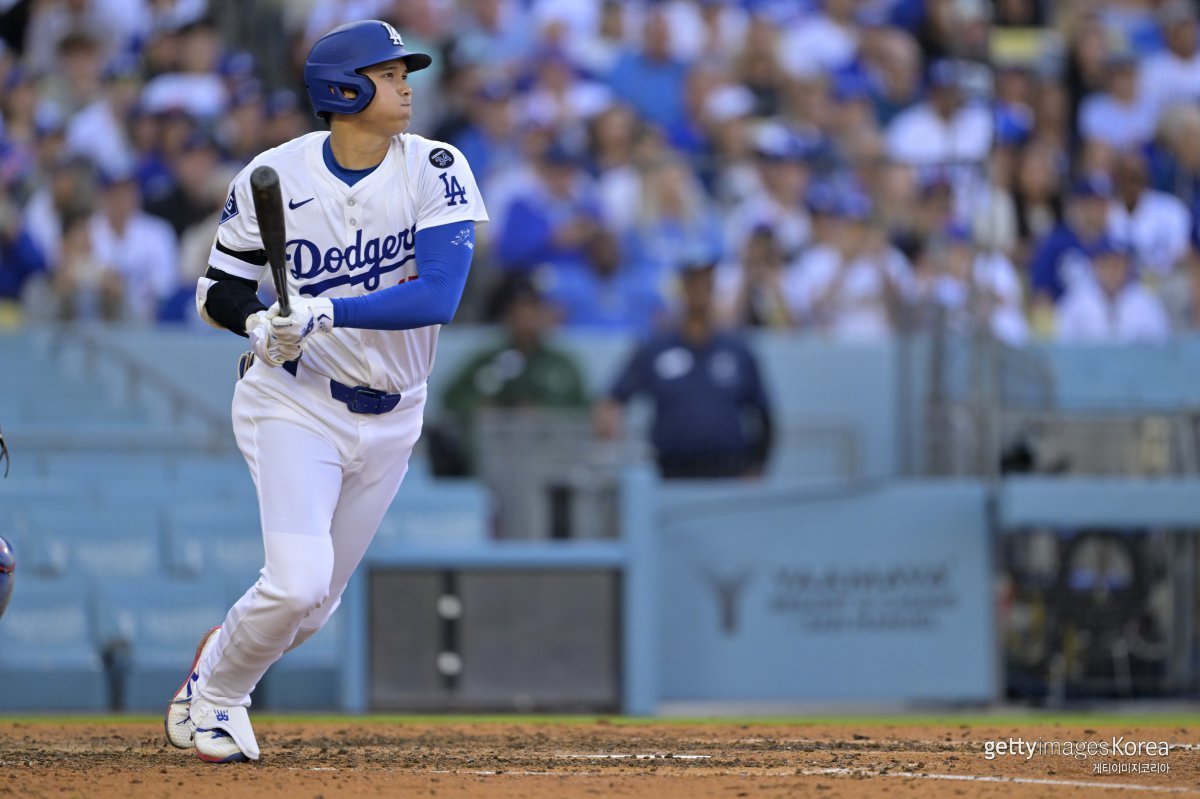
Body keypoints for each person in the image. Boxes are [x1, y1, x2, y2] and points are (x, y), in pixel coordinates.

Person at [165, 20, 487, 763]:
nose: (406, 85)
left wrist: (324, 310)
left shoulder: (436, 166)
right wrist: (257, 324)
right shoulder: (273, 174)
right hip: (296, 398)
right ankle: (215, 700)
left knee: (310, 610)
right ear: (342, 91)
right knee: (295, 583)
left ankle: (220, 659)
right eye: (388, 73)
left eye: (405, 73)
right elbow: (219, 289)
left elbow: (439, 294)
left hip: (396, 411)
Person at [595, 253, 773, 479]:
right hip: (670, 473)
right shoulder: (655, 349)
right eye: (692, 282)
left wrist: (757, 465)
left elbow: (764, 415)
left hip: (728, 472)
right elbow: (613, 401)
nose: (699, 290)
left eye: (705, 282)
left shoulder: (737, 351)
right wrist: (611, 429)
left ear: (713, 287)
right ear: (683, 288)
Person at [437, 275, 588, 476]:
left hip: (549, 465)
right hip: (490, 465)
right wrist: (483, 409)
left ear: (543, 315)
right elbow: (452, 398)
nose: (525, 319)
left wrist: (542, 414)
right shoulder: (486, 362)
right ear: (506, 316)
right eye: (517, 312)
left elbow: (582, 411)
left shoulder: (562, 366)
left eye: (532, 311)